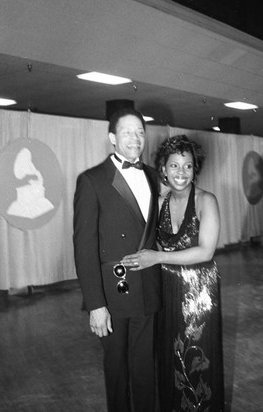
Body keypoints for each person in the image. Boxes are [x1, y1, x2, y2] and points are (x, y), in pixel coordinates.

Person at [122, 134, 225, 412]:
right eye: (174, 166)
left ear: (195, 169)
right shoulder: (160, 202)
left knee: (197, 360)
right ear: (164, 169)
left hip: (198, 295)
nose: (181, 172)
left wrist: (157, 257)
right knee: (169, 358)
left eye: (188, 166)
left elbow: (206, 252)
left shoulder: (206, 201)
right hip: (167, 291)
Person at [73, 108, 162, 412]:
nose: (135, 138)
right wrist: (96, 305)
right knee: (116, 371)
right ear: (112, 137)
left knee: (145, 370)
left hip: (148, 290)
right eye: (127, 131)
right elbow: (84, 248)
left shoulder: (152, 175)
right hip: (114, 293)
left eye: (140, 131)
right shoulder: (92, 180)